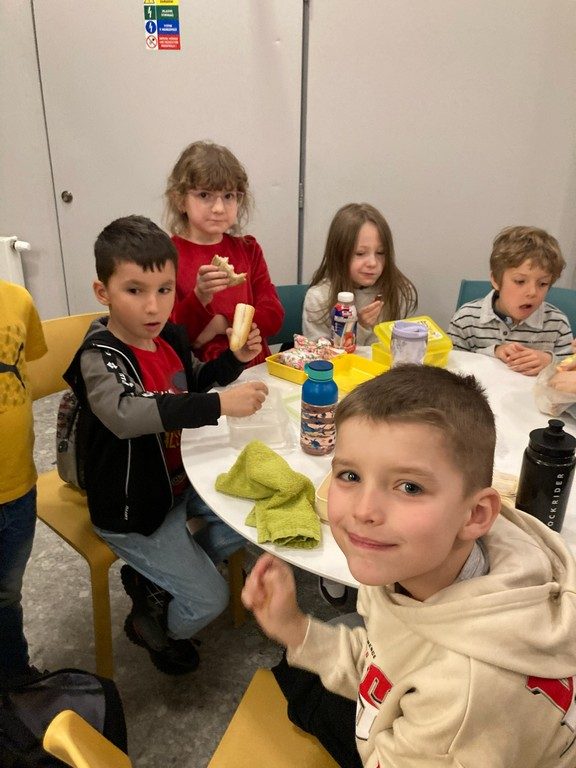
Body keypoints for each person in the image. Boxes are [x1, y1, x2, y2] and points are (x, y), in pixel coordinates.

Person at [242, 365, 576, 768]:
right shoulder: (412, 561)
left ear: (475, 514)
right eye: (350, 475)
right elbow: (387, 656)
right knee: (299, 671)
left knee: (302, 694)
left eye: (410, 487)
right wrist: (294, 628)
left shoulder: (461, 696)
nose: (364, 510)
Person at [64, 215, 268, 675]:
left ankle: (154, 582)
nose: (153, 306)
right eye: (134, 290)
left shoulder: (171, 337)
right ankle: (157, 630)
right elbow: (125, 413)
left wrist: (233, 360)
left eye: (165, 289)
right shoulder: (101, 356)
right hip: (134, 508)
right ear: (103, 292)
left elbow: (196, 381)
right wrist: (218, 406)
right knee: (211, 599)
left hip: (180, 482)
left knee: (254, 518)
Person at [165, 140, 284, 366]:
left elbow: (273, 315)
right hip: (204, 374)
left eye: (229, 196)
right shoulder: (168, 256)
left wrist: (222, 323)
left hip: (254, 366)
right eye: (204, 195)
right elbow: (171, 335)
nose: (219, 208)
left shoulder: (249, 250)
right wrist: (200, 296)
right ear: (180, 200)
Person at [0, 279, 47, 685]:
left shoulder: (17, 298)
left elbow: (24, 364)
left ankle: (15, 678)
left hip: (17, 488)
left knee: (6, 593)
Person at [448, 225, 573, 375]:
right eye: (520, 281)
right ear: (496, 280)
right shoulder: (466, 319)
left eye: (543, 284)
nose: (532, 292)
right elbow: (450, 366)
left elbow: (570, 370)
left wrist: (549, 361)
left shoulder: (557, 324)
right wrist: (494, 352)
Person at [302, 203, 417, 346]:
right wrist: (357, 327)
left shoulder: (398, 291)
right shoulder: (319, 298)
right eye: (360, 253)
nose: (373, 263)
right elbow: (319, 355)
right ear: (339, 254)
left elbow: (401, 348)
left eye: (380, 252)